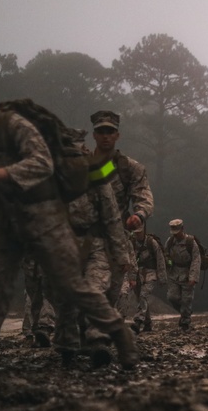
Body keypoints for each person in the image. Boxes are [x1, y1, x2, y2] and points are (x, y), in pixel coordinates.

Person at [0, 69, 138, 371]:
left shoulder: (15, 126)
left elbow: (42, 162)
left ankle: (118, 332)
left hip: (45, 216)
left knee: (70, 286)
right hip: (5, 221)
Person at [50, 152, 132, 367]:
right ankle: (68, 348)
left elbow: (113, 219)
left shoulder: (99, 179)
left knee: (96, 292)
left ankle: (98, 341)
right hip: (64, 247)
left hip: (95, 245)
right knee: (66, 299)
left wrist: (121, 255)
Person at [88, 110, 154, 309]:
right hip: (85, 238)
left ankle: (94, 331)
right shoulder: (79, 163)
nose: (106, 136)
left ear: (117, 135)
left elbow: (144, 196)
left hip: (117, 239)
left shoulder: (129, 168)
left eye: (110, 131)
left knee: (111, 293)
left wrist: (139, 215)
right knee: (92, 287)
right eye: (101, 131)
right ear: (94, 135)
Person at [127, 226, 167, 334]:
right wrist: (130, 277)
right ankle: (148, 324)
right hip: (137, 274)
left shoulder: (151, 243)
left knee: (143, 295)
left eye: (139, 233)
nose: (137, 235)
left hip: (151, 273)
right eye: (136, 233)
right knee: (140, 298)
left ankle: (138, 321)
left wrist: (162, 277)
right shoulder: (132, 243)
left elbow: (160, 259)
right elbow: (130, 260)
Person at [165, 219, 201, 331]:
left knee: (186, 300)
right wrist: (167, 263)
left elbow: (196, 260)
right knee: (172, 297)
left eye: (177, 232)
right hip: (174, 273)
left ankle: (185, 322)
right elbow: (165, 254)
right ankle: (186, 312)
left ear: (182, 229)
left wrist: (193, 277)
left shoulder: (191, 242)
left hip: (187, 273)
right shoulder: (170, 241)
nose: (175, 235)